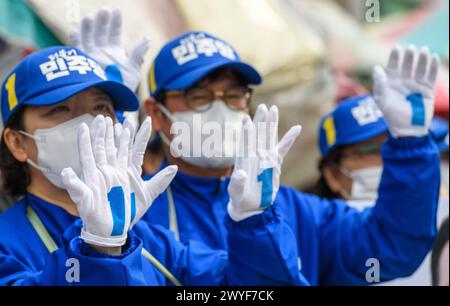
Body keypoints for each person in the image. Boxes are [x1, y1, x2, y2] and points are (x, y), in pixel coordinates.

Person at [73, 9, 442, 285]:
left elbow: (391, 250)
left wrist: (410, 144)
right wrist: (108, 113)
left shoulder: (293, 209)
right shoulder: (133, 210)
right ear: (157, 113)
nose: (219, 108)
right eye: (199, 96)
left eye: (234, 95)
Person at [0, 45, 305, 286]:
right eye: (60, 109)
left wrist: (254, 223)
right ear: (17, 142)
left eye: (100, 107)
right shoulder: (7, 243)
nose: (88, 124)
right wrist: (97, 250)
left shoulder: (146, 237)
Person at [315, 96, 449, 285]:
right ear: (332, 175)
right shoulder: (312, 243)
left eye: (405, 143)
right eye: (373, 149)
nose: (395, 157)